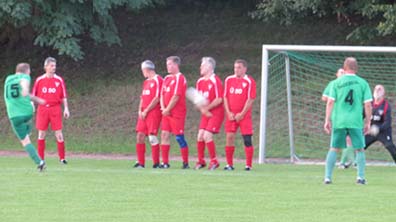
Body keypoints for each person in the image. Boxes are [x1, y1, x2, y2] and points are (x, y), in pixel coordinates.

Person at [324, 57, 372, 185]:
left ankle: (327, 178)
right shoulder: (363, 83)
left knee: (334, 148)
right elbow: (368, 104)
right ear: (356, 68)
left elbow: (330, 102)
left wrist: (327, 120)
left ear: (344, 68)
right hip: (355, 121)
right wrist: (368, 122)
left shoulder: (336, 83)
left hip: (339, 120)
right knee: (359, 149)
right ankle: (360, 178)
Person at [4, 63, 46, 171]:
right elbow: (24, 88)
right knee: (29, 111)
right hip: (27, 112)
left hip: (14, 115)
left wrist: (34, 98)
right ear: (26, 71)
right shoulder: (25, 77)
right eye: (29, 71)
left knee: (25, 141)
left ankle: (40, 162)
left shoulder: (8, 79)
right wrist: (37, 99)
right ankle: (29, 128)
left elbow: (22, 93)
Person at [32, 57, 70, 164]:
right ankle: (41, 159)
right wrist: (32, 105)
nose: (54, 68)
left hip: (55, 109)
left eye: (55, 66)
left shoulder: (59, 80)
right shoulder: (39, 80)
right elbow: (34, 95)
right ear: (46, 67)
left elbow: (63, 96)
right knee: (41, 134)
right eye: (52, 66)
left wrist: (66, 108)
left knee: (59, 134)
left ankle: (62, 158)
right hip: (43, 109)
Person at [223, 59, 256, 171]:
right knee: (229, 137)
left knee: (247, 139)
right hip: (231, 115)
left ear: (245, 69)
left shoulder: (249, 81)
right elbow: (225, 97)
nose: (236, 70)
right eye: (235, 67)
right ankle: (229, 164)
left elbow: (250, 99)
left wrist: (242, 114)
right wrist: (228, 112)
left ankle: (248, 165)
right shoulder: (229, 80)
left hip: (244, 115)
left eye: (239, 67)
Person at [194, 57, 224, 170]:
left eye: (202, 65)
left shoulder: (215, 80)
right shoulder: (200, 81)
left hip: (216, 113)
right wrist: (201, 108)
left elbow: (219, 99)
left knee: (207, 136)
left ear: (209, 67)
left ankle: (214, 161)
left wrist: (207, 108)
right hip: (206, 113)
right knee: (200, 136)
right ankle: (201, 161)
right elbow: (198, 100)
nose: (200, 67)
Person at [160, 56, 189, 169]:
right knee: (164, 134)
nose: (168, 67)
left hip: (177, 113)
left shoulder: (180, 78)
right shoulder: (167, 78)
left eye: (170, 64)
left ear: (176, 65)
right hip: (166, 113)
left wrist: (168, 109)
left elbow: (176, 96)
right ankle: (165, 162)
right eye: (167, 64)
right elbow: (162, 94)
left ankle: (185, 162)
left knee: (179, 137)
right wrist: (163, 108)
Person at [322, 69, 355, 169]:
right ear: (336, 74)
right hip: (337, 117)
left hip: (348, 117)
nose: (342, 74)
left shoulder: (349, 85)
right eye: (340, 72)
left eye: (343, 72)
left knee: (348, 140)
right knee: (337, 143)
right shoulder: (332, 84)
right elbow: (324, 97)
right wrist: (334, 98)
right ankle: (345, 162)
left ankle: (348, 162)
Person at [134, 60, 163, 168]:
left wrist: (146, 110)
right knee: (140, 136)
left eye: (143, 70)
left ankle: (156, 163)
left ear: (146, 69)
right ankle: (140, 162)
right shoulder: (146, 82)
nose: (143, 73)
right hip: (143, 113)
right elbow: (142, 98)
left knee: (152, 137)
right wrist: (140, 111)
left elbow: (157, 98)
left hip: (153, 113)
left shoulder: (158, 80)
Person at [364, 85, 396, 163]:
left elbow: (387, 123)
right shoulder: (369, 104)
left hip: (383, 131)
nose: (377, 90)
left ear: (384, 93)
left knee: (390, 146)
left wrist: (378, 128)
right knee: (360, 146)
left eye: (380, 89)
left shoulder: (386, 106)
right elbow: (362, 115)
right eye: (376, 89)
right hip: (371, 131)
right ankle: (352, 162)